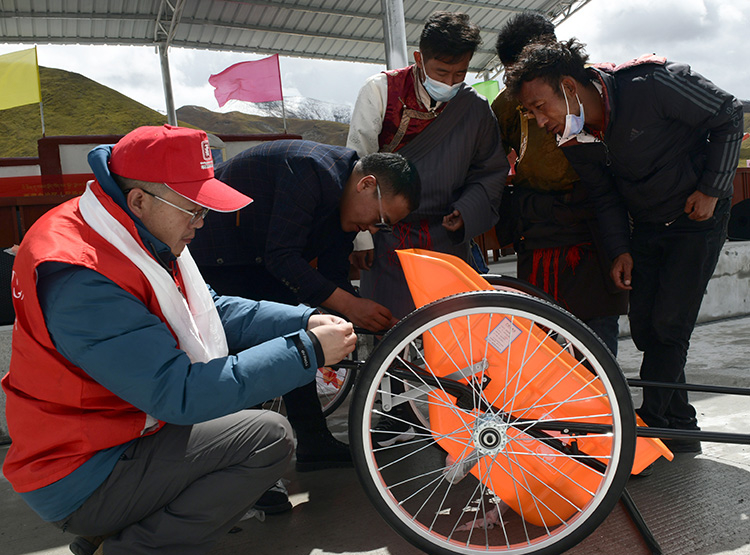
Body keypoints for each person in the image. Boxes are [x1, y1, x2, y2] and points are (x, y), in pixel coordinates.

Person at [1, 125, 357, 555]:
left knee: (245, 402)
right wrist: (305, 351)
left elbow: (211, 309)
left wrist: (303, 319)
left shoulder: (122, 229)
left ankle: (114, 532)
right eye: (193, 208)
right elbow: (179, 396)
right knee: (267, 438)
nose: (203, 222)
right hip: (80, 468)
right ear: (141, 199)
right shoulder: (83, 275)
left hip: (105, 438)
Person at [505, 39, 744, 454]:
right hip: (646, 226)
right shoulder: (574, 137)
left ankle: (645, 432)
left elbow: (728, 112)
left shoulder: (650, 84)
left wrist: (712, 188)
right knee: (648, 328)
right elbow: (605, 196)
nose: (541, 122)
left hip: (696, 220)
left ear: (569, 86)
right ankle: (682, 429)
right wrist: (621, 250)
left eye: (541, 107)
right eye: (531, 113)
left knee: (669, 326)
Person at [190, 140, 421, 469]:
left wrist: (365, 316)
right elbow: (282, 257)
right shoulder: (310, 169)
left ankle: (313, 442)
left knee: (296, 334)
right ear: (366, 185)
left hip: (259, 258)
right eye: (379, 219)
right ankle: (250, 460)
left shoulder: (345, 201)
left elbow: (332, 275)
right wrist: (350, 307)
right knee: (250, 348)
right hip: (220, 252)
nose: (371, 230)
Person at [346, 11, 508, 320]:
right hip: (386, 238)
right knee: (390, 328)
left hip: (447, 237)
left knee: (452, 328)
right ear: (419, 59)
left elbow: (490, 171)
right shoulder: (381, 92)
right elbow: (357, 167)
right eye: (441, 72)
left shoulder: (474, 108)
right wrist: (361, 239)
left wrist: (467, 211)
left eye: (460, 73)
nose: (450, 83)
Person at [491, 12, 627, 354]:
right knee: (537, 333)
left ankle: (599, 387)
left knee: (596, 331)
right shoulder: (505, 105)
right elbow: (490, 164)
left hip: (591, 222)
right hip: (539, 226)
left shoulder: (586, 89)